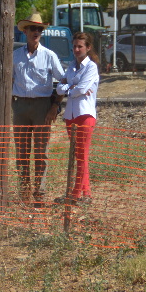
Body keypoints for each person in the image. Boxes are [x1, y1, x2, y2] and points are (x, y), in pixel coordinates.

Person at [12, 13, 65, 205]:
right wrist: (13, 103)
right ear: (25, 31)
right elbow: (7, 80)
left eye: (39, 29)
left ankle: (39, 193)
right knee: (21, 151)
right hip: (20, 106)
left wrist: (55, 106)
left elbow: (63, 81)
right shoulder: (15, 55)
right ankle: (24, 192)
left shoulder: (49, 56)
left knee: (41, 152)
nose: (36, 32)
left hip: (43, 106)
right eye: (33, 28)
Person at [55, 32, 99, 205]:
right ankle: (86, 193)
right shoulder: (71, 66)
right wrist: (70, 88)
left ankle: (75, 194)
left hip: (85, 115)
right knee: (77, 155)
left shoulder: (91, 67)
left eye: (80, 46)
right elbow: (59, 88)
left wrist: (71, 88)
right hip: (70, 116)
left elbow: (79, 90)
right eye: (74, 46)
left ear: (88, 48)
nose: (76, 49)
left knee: (82, 155)